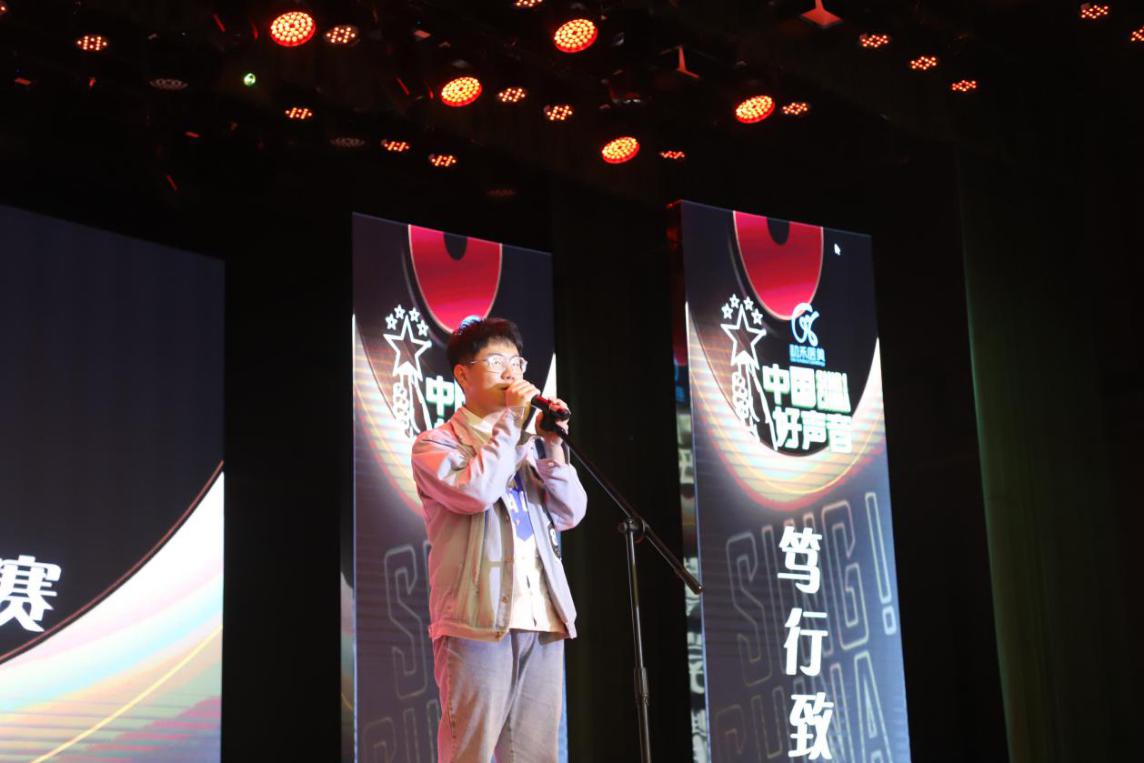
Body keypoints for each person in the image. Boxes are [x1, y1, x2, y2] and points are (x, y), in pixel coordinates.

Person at [411, 317, 588, 763]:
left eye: (517, 362)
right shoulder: (436, 444)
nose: (511, 372)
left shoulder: (523, 445)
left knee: (535, 755)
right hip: (477, 619)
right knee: (469, 752)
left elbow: (570, 513)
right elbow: (475, 492)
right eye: (496, 361)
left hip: (542, 617)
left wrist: (552, 446)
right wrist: (512, 423)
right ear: (462, 375)